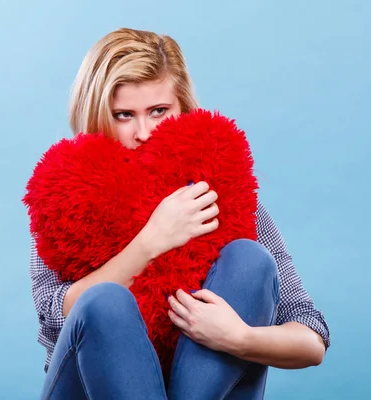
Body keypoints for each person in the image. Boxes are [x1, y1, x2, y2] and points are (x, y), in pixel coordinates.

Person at [30, 27, 331, 400]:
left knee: (249, 259)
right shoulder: (68, 196)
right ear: (96, 116)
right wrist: (151, 242)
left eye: (159, 111)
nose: (143, 132)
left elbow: (311, 336)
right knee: (103, 301)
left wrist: (239, 337)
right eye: (123, 115)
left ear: (183, 109)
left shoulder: (222, 192)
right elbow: (56, 318)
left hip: (204, 388)